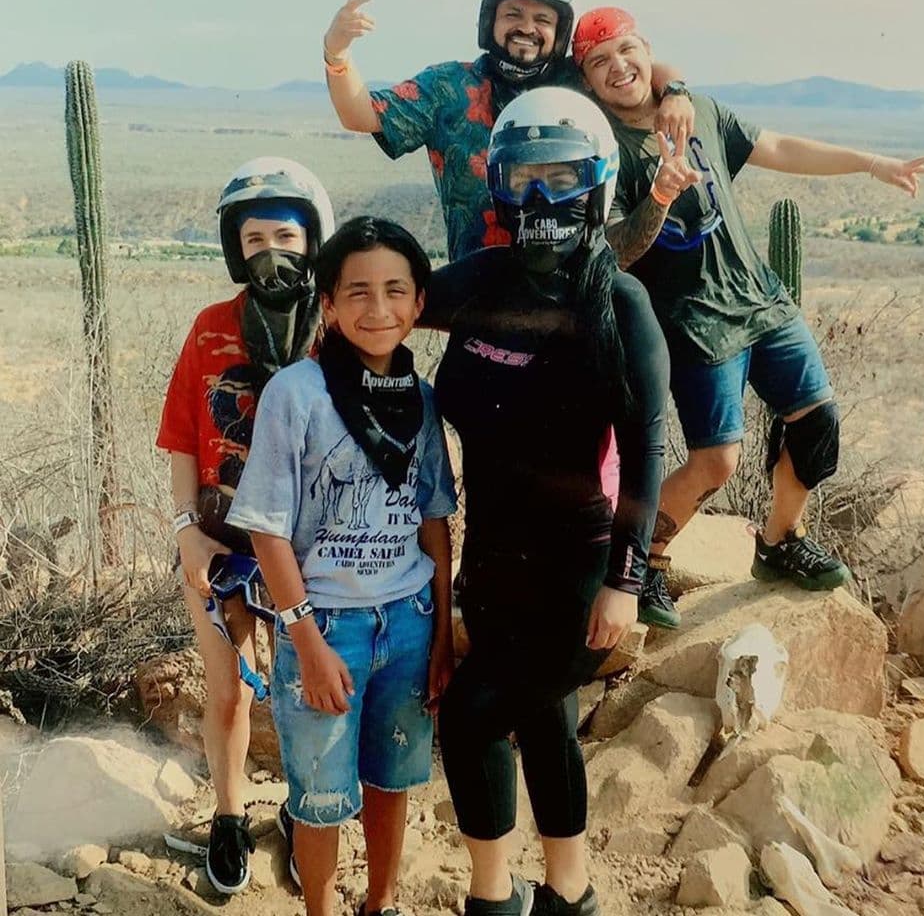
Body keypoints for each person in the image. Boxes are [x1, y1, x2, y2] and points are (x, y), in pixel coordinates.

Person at [572, 7, 924, 628]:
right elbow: (617, 252)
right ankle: (646, 563)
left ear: (647, 50)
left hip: (760, 298)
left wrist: (870, 163)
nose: (618, 68)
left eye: (626, 51)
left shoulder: (699, 112)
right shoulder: (601, 150)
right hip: (693, 320)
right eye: (599, 62)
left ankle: (778, 542)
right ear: (585, 81)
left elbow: (777, 147)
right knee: (717, 460)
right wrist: (660, 195)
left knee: (816, 424)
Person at [421, 87, 669, 916]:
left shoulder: (618, 304)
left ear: (595, 184)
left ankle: (492, 904)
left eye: (561, 177)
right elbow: (388, 302)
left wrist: (626, 582)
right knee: (548, 725)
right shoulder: (482, 282)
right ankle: (569, 894)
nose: (540, 199)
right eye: (524, 176)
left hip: (578, 566)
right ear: (498, 181)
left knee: (471, 716)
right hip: (492, 557)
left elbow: (645, 451)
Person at [226, 216, 458, 916]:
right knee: (321, 797)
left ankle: (380, 904)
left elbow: (436, 523)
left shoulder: (420, 398)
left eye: (396, 290)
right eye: (356, 291)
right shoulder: (296, 393)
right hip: (325, 625)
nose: (377, 309)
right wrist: (307, 642)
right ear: (327, 302)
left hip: (410, 620)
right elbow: (267, 531)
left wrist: (444, 631)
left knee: (393, 780)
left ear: (420, 303)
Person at [156, 157, 334, 894]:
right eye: (254, 238)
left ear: (311, 240)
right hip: (221, 540)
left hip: (310, 548)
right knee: (228, 688)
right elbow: (182, 438)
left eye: (285, 236)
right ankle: (229, 817)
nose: (270, 252)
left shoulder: (336, 326)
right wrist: (182, 530)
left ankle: (303, 812)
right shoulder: (209, 330)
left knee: (300, 691)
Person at [322, 0, 695, 262]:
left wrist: (676, 91)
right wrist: (337, 53)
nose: (526, 28)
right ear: (491, 21)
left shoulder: (576, 81)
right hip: (481, 292)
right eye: (513, 14)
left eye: (543, 20)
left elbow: (639, 73)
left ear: (559, 31)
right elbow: (360, 114)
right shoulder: (448, 87)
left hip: (574, 293)